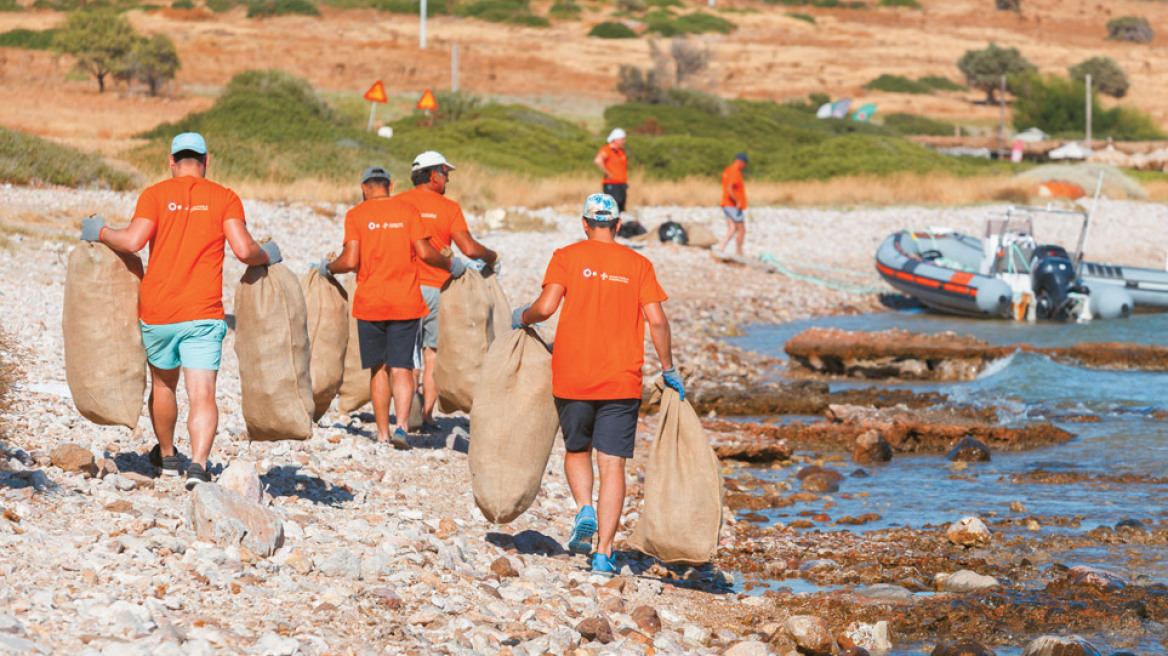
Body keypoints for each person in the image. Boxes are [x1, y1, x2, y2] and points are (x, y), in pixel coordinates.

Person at [81, 132, 280, 488]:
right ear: (206, 160)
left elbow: (132, 242)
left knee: (163, 386)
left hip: (158, 312)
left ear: (172, 162)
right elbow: (244, 250)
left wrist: (101, 231)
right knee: (202, 392)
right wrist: (267, 255)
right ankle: (199, 466)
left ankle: (169, 457)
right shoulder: (224, 197)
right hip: (203, 313)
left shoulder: (156, 194)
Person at [511, 193, 685, 575]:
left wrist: (521, 317)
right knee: (613, 465)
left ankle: (584, 509)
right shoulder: (638, 264)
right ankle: (604, 554)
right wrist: (668, 368)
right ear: (618, 225)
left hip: (572, 375)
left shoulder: (567, 256)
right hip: (621, 379)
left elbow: (545, 308)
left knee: (577, 449)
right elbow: (656, 321)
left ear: (585, 223)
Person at [317, 166, 461, 449]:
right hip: (406, 302)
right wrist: (449, 263)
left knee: (378, 369)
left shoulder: (356, 215)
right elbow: (423, 251)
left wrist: (327, 268)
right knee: (402, 367)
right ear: (390, 186)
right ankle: (402, 428)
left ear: (364, 188)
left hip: (371, 303)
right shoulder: (408, 210)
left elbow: (350, 261)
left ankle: (382, 435)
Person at [395, 151, 498, 432]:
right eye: (445, 173)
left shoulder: (398, 202)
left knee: (407, 353)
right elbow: (469, 249)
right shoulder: (449, 207)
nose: (448, 178)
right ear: (433, 175)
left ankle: (405, 417)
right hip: (437, 289)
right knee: (432, 354)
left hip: (404, 288)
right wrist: (492, 256)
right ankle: (427, 416)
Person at [717, 153, 749, 256]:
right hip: (731, 205)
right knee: (741, 228)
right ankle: (739, 251)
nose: (745, 167)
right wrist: (737, 201)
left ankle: (721, 248)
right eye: (745, 164)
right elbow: (729, 188)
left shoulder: (728, 169)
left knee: (732, 228)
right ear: (740, 162)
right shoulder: (734, 171)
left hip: (725, 203)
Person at [594, 128, 628, 214]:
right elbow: (598, 160)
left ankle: (617, 226)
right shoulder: (606, 150)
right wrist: (607, 172)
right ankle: (609, 226)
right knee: (611, 209)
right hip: (612, 184)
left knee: (619, 209)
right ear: (616, 140)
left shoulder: (621, 151)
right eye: (623, 139)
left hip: (621, 185)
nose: (624, 141)